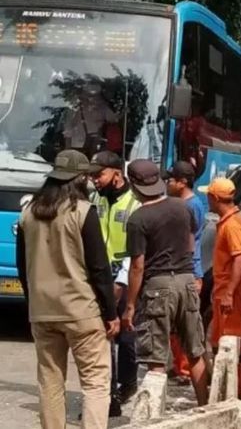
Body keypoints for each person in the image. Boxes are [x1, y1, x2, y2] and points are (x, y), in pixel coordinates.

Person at [16, 150, 118, 429]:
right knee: (96, 383)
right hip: (82, 311)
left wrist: (33, 304)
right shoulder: (83, 212)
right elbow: (99, 269)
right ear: (78, 178)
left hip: (43, 311)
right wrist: (111, 313)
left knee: (49, 382)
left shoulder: (28, 213)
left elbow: (23, 267)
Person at [120, 159, 209, 406]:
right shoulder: (183, 207)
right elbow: (191, 244)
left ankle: (153, 415)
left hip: (158, 285)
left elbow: (137, 266)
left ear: (134, 186)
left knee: (156, 357)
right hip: (186, 279)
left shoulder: (138, 219)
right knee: (195, 351)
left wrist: (130, 305)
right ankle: (205, 407)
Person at [89, 151, 139, 411]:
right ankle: (109, 396)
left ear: (116, 174)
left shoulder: (135, 203)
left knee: (127, 336)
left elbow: (137, 250)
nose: (94, 180)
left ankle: (128, 383)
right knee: (103, 337)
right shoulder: (94, 199)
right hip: (99, 278)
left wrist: (121, 282)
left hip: (127, 278)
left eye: (99, 174)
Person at [198, 178, 241, 395]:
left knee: (231, 343)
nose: (207, 199)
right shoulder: (229, 222)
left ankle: (232, 393)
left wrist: (229, 293)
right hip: (224, 293)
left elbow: (239, 258)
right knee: (222, 342)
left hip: (231, 296)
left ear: (215, 198)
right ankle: (226, 391)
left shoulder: (232, 225)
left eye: (208, 195)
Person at [164, 161, 207, 383]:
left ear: (182, 182)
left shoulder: (191, 206)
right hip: (182, 268)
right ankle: (178, 366)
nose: (167, 183)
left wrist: (196, 274)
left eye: (171, 179)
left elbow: (191, 243)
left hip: (188, 269)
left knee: (185, 322)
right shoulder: (184, 203)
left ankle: (185, 369)